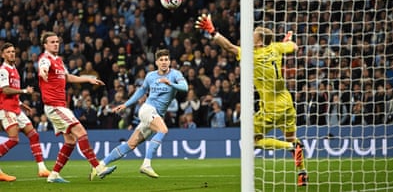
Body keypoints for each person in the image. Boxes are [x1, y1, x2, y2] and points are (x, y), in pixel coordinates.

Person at [195, 14, 308, 186]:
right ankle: (302, 174)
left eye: (254, 35)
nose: (251, 36)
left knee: (251, 140)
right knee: (292, 137)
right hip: (287, 103)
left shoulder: (252, 56)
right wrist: (287, 41)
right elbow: (294, 46)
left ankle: (290, 148)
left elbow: (229, 48)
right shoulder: (277, 48)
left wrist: (212, 31)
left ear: (260, 42)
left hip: (271, 108)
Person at [96, 49, 188, 178]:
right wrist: (126, 104)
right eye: (161, 60)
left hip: (157, 115)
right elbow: (141, 91)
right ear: (156, 62)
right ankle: (146, 165)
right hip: (147, 110)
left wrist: (171, 83)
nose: (164, 62)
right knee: (163, 130)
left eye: (166, 59)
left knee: (130, 144)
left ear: (170, 61)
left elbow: (185, 87)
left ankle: (100, 165)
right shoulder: (151, 76)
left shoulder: (175, 74)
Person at [38, 32, 117, 183]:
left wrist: (88, 79)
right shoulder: (45, 59)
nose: (56, 44)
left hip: (60, 105)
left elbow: (68, 78)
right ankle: (98, 167)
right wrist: (43, 72)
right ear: (45, 45)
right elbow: (43, 68)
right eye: (52, 42)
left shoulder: (59, 61)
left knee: (70, 141)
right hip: (54, 106)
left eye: (57, 41)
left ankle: (53, 175)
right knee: (81, 131)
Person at [0, 42, 51, 179]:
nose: (12, 54)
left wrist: (21, 103)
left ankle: (42, 169)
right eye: (8, 52)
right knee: (14, 139)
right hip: (6, 109)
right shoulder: (3, 70)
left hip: (16, 108)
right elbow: (5, 90)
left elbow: (11, 92)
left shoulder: (15, 69)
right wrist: (24, 91)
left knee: (34, 135)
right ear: (2, 54)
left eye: (13, 51)